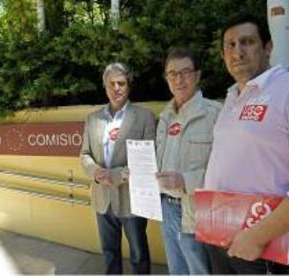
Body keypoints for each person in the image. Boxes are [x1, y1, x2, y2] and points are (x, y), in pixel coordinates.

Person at [204, 11, 289, 274]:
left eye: (247, 42)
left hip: (269, 251)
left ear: (268, 47)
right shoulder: (231, 98)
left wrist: (256, 237)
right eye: (230, 45)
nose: (237, 51)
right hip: (221, 241)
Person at [80, 62, 155, 274]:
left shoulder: (145, 117)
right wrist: (95, 172)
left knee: (139, 254)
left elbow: (147, 158)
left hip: (132, 199)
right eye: (111, 84)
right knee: (109, 253)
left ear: (129, 85)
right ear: (105, 87)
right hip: (103, 199)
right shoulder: (92, 119)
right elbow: (84, 154)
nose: (116, 88)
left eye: (121, 83)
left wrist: (112, 175)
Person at [155, 47, 221, 274]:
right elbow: (157, 161)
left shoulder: (215, 114)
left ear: (198, 75)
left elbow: (223, 172)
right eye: (172, 74)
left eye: (185, 72)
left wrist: (184, 180)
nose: (178, 79)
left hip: (196, 210)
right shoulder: (164, 116)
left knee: (199, 271)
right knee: (177, 271)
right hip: (167, 208)